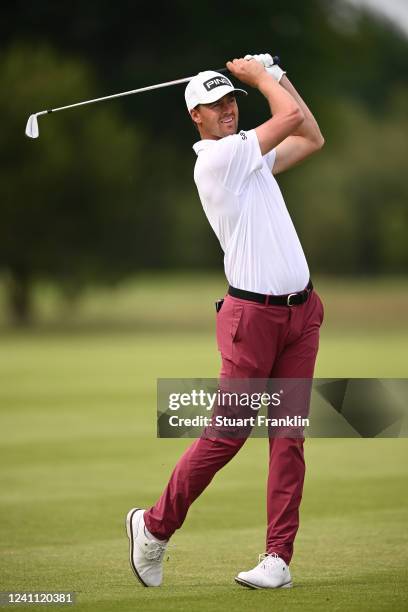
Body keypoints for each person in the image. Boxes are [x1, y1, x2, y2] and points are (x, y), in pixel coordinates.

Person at [126, 53, 325, 589]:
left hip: (301, 313)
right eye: (216, 104)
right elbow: (284, 121)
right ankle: (153, 526)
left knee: (289, 437)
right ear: (197, 116)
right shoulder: (217, 161)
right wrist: (263, 78)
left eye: (231, 100)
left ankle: (278, 559)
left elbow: (310, 138)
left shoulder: (251, 158)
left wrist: (279, 75)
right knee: (226, 434)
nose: (228, 109)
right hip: (251, 318)